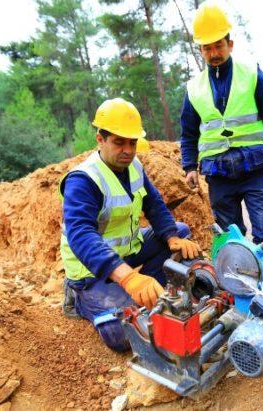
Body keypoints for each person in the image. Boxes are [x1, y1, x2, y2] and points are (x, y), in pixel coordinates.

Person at [60, 97, 202, 351]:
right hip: (91, 270)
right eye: (118, 142)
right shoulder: (83, 180)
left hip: (127, 252)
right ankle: (78, 298)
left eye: (132, 142)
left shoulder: (133, 165)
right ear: (100, 139)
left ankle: (149, 288)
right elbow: (81, 235)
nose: (127, 149)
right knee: (123, 332)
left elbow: (154, 204)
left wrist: (171, 237)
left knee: (180, 232)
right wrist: (127, 278)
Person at [180, 2, 263, 265]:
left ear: (230, 44)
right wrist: (189, 166)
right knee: (230, 235)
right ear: (200, 50)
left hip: (253, 167)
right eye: (208, 48)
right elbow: (189, 131)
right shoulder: (194, 89)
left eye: (218, 45)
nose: (214, 52)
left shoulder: (250, 73)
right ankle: (239, 282)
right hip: (218, 174)